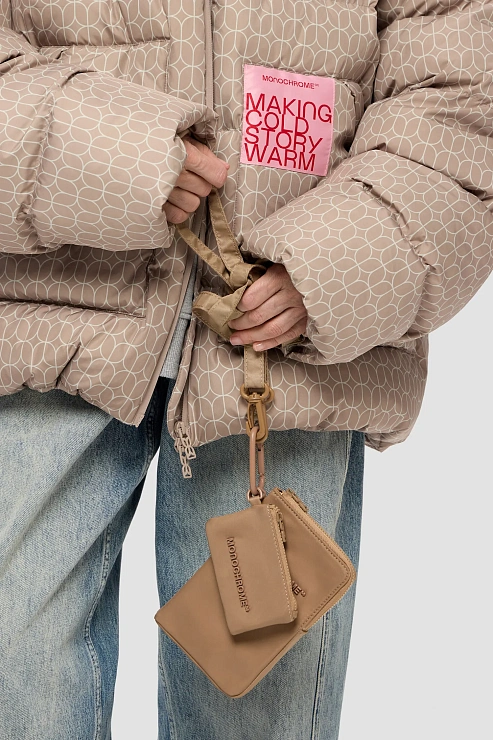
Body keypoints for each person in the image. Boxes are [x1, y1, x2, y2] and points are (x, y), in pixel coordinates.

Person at [0, 0, 491, 738]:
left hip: (291, 347)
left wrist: (339, 260)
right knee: (15, 671)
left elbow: (462, 86)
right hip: (49, 310)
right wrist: (104, 151)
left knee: (260, 700)